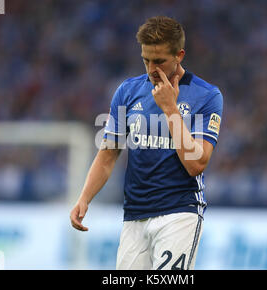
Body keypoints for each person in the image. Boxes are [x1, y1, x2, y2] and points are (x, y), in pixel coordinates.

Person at [70, 16, 224, 270]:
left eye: (160, 61)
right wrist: (85, 198)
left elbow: (196, 163)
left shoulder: (206, 96)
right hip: (134, 215)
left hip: (180, 212)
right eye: (146, 60)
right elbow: (108, 155)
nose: (152, 69)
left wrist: (169, 108)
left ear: (179, 55)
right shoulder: (128, 91)